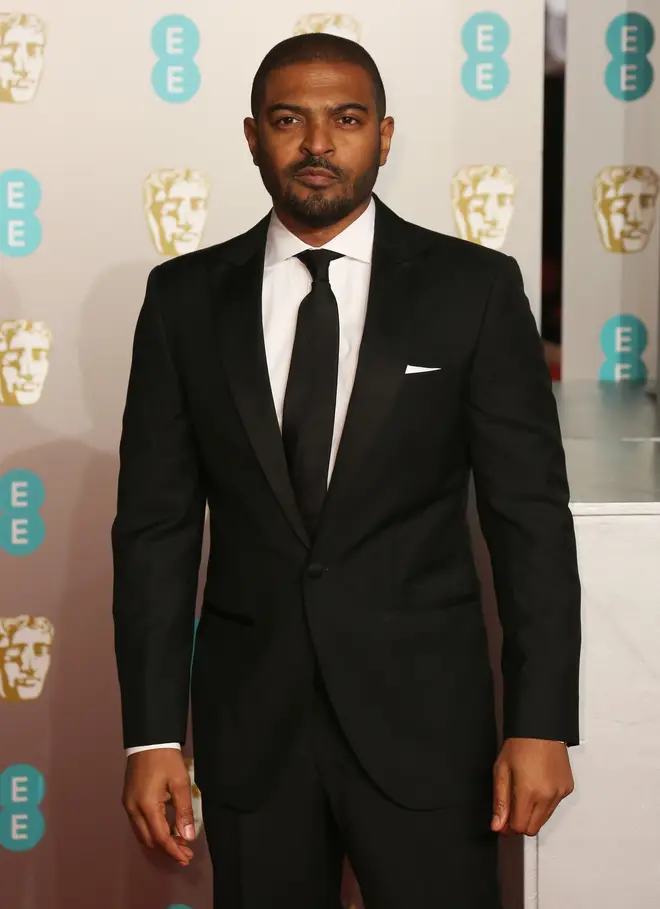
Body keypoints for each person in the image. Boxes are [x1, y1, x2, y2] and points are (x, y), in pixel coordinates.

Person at [112, 32, 581, 909]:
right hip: (252, 733)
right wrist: (148, 738)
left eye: (347, 119)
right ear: (253, 136)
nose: (318, 144)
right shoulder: (183, 301)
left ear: (385, 136)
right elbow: (154, 533)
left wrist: (541, 718)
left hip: (429, 729)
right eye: (290, 120)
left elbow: (530, 521)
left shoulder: (473, 289)